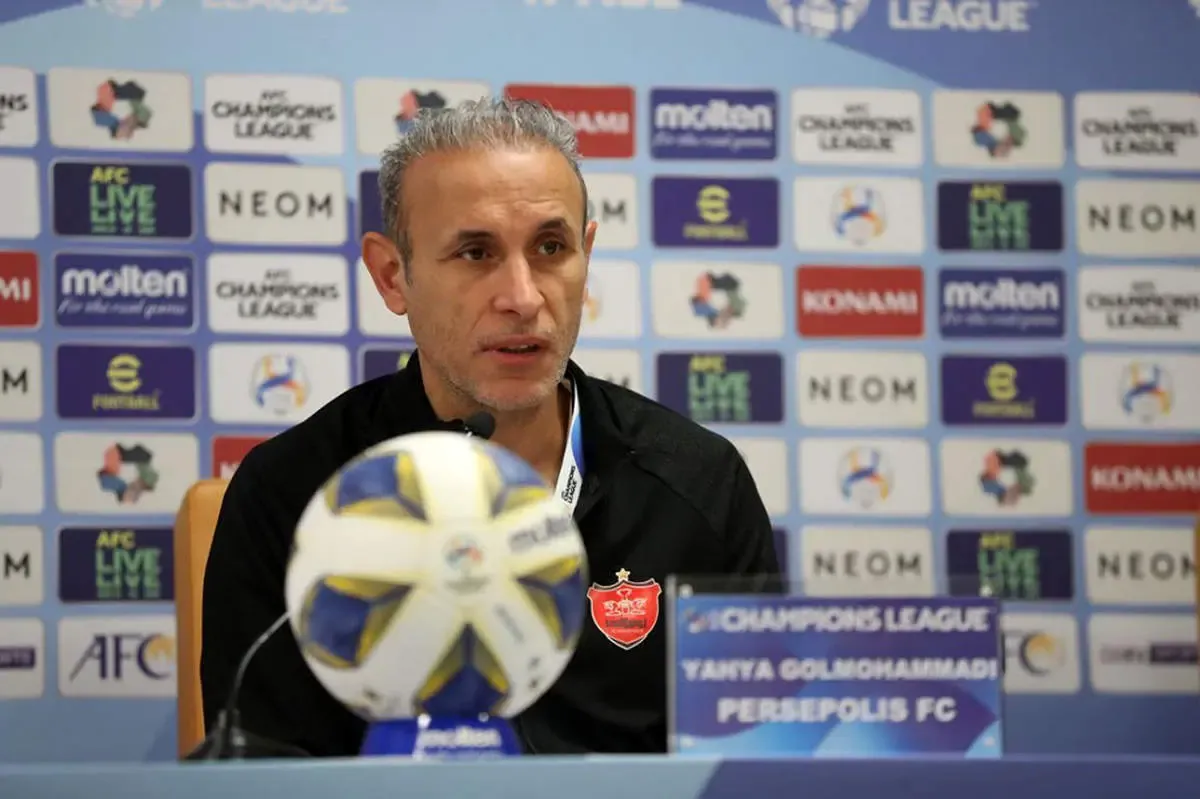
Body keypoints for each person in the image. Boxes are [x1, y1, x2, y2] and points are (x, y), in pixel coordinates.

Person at [199, 97, 780, 758]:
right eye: (476, 252)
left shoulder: (697, 485)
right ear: (393, 276)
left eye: (551, 248)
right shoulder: (295, 493)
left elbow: (752, 763)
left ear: (586, 255)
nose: (523, 298)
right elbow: (263, 772)